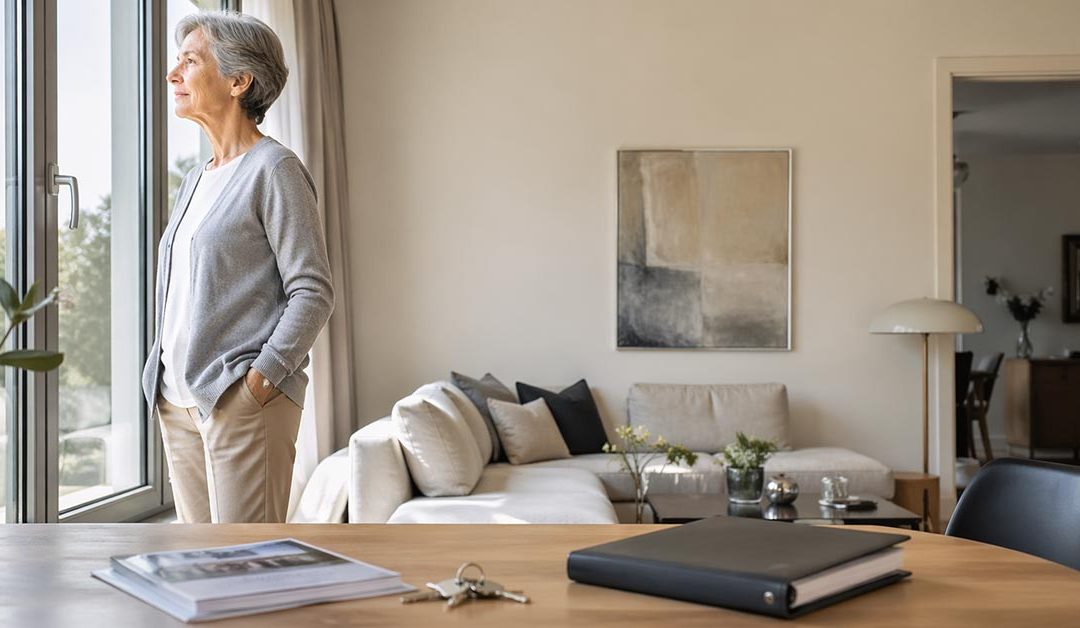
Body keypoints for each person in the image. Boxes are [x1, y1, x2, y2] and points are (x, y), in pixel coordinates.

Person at [141, 11, 334, 523]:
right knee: (201, 559)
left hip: (239, 400)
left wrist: (261, 380)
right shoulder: (195, 179)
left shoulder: (275, 169)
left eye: (189, 61)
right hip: (178, 403)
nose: (173, 74)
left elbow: (313, 291)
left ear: (238, 80)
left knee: (247, 558)